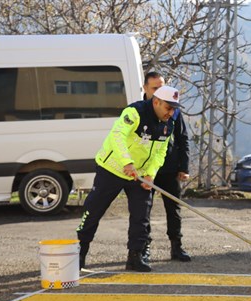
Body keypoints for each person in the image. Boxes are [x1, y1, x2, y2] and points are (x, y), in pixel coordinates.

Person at [76, 85, 182, 272]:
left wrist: (151, 173)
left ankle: (135, 256)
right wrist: (126, 162)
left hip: (139, 175)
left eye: (174, 108)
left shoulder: (169, 124)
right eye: (168, 107)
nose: (171, 112)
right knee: (94, 210)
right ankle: (80, 253)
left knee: (142, 216)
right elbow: (117, 136)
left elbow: (161, 152)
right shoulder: (134, 112)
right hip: (112, 168)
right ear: (156, 101)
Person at [141, 72, 191, 263]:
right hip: (145, 170)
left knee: (174, 209)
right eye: (154, 88)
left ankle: (176, 246)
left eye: (161, 87)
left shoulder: (173, 110)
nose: (158, 92)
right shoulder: (139, 110)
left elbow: (182, 138)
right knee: (143, 210)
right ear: (145, 88)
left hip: (168, 167)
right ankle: (143, 248)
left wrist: (183, 166)